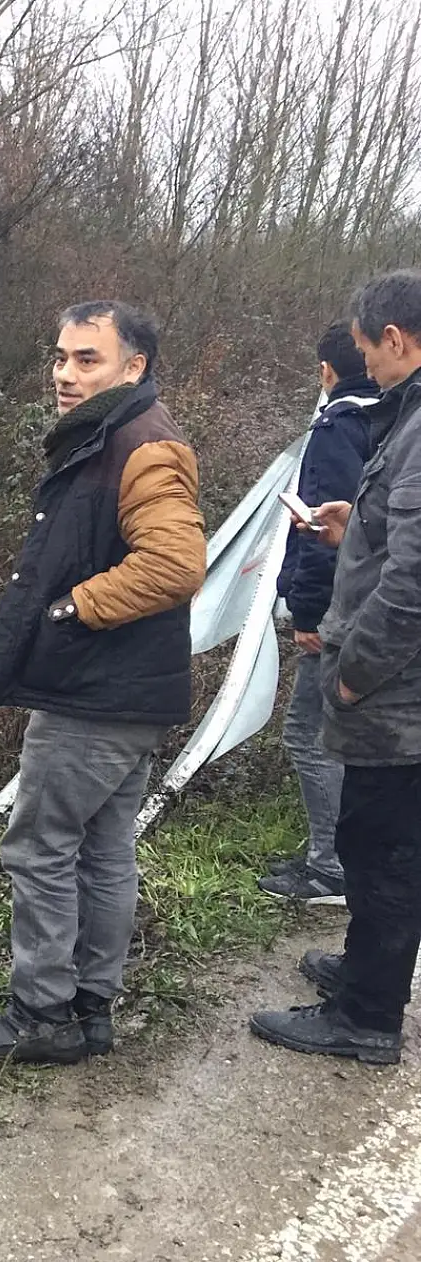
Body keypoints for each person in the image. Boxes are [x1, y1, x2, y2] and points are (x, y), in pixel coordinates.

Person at [0, 301, 206, 1065]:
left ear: (134, 368)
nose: (65, 374)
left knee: (38, 849)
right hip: (124, 693)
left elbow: (176, 564)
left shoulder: (143, 446)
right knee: (101, 850)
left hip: (98, 696)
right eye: (60, 357)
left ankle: (41, 1012)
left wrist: (74, 609)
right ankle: (89, 1010)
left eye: (86, 359)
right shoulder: (110, 436)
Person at [251, 270, 421, 1065]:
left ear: (395, 338)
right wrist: (352, 526)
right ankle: (362, 971)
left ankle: (365, 1018)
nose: (366, 369)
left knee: (383, 851)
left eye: (368, 352)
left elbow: (414, 583)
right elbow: (397, 537)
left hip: (398, 692)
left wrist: (354, 673)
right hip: (396, 686)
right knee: (370, 839)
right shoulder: (407, 416)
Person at [265, 323, 380, 905]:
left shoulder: (339, 425)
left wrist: (307, 612)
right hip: (375, 607)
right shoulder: (393, 417)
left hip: (338, 608)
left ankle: (330, 866)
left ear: (327, 371)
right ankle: (343, 857)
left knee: (308, 734)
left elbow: (319, 525)